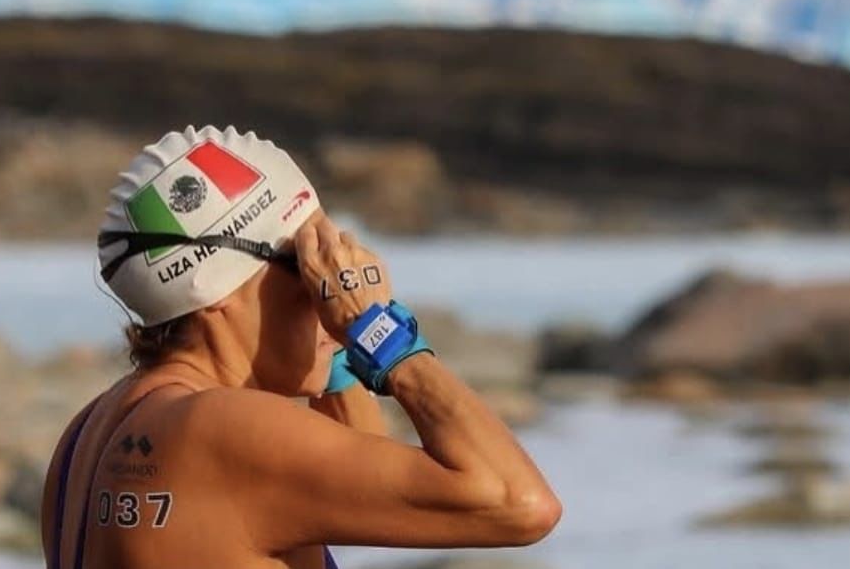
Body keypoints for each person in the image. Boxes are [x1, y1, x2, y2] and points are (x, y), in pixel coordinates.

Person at [41, 125, 561, 568]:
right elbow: (519, 503)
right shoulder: (218, 429)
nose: (328, 287)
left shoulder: (91, 431)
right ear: (215, 292)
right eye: (306, 265)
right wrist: (376, 330)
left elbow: (370, 488)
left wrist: (333, 345)